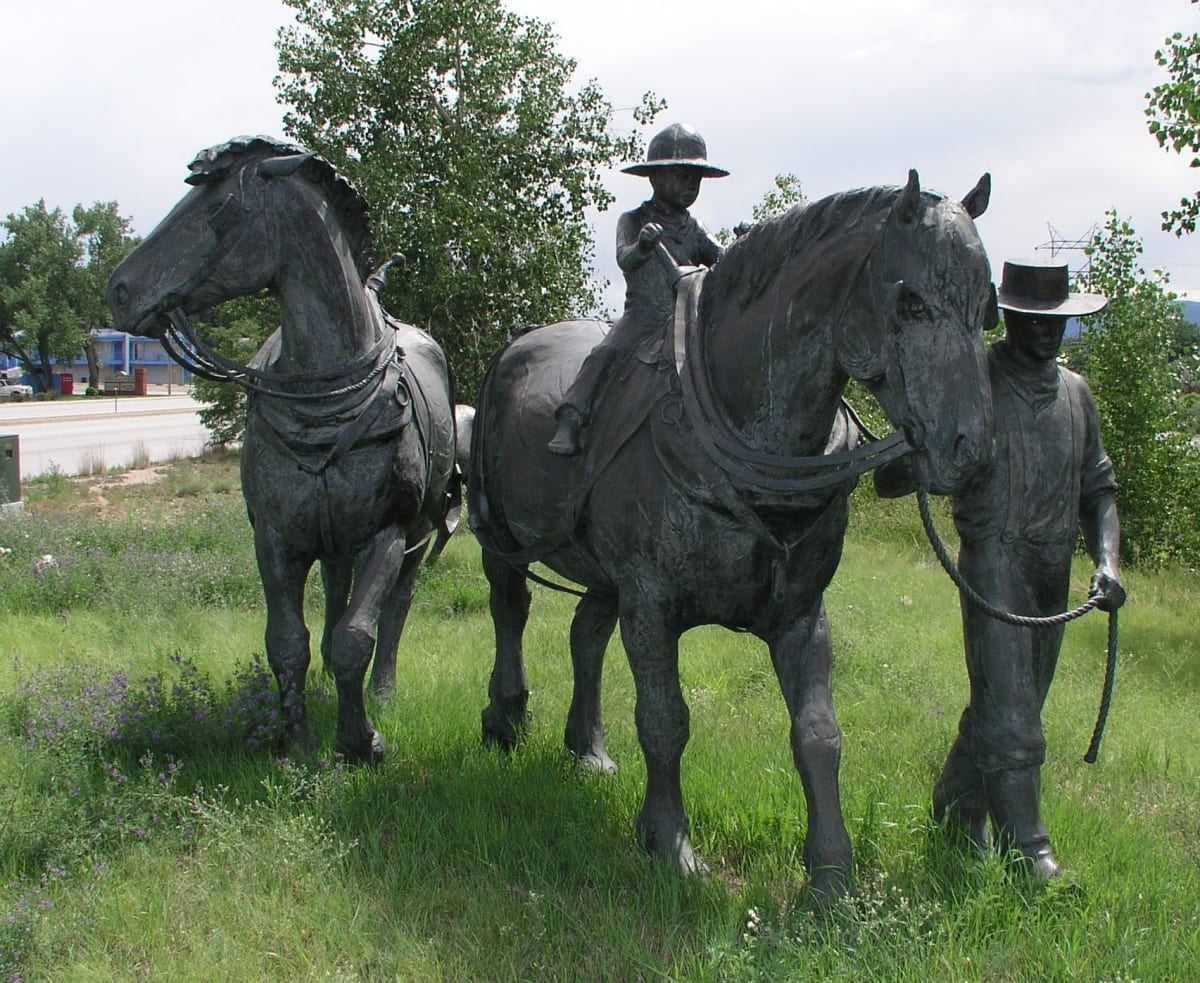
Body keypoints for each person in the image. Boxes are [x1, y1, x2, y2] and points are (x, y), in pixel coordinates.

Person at [878, 257, 1126, 881]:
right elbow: (908, 466)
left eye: (1057, 322)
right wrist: (914, 461)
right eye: (1032, 320)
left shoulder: (1076, 394)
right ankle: (1030, 850)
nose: (1047, 332)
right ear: (1006, 318)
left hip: (1052, 570)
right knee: (1013, 711)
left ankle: (957, 804)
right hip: (994, 563)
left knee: (1009, 699)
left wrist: (1106, 561)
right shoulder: (976, 381)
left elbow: (1098, 488)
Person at [547, 123, 728, 456]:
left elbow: (721, 257)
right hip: (644, 316)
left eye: (695, 178)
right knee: (606, 353)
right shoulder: (632, 220)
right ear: (655, 178)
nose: (689, 185)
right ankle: (572, 416)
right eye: (680, 175)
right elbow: (625, 260)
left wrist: (742, 248)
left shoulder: (695, 227)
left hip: (688, 318)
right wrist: (642, 247)